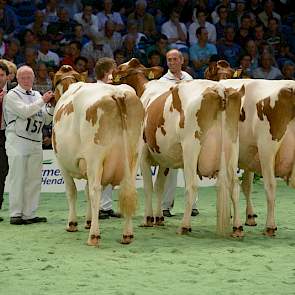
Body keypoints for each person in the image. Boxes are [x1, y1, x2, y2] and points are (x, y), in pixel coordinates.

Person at [3, 65, 54, 225]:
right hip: (17, 140)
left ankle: (30, 213)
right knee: (18, 177)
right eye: (23, 77)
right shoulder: (12, 95)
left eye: (29, 77)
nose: (26, 80)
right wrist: (42, 101)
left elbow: (45, 119)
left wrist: (51, 106)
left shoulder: (36, 94)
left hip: (35, 141)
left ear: (33, 78)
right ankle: (16, 213)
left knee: (34, 179)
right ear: (17, 79)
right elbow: (25, 111)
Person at [159, 49, 199, 217]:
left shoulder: (190, 80)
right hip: (169, 130)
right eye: (169, 60)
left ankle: (193, 204)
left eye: (175, 59)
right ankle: (165, 206)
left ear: (182, 61)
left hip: (189, 128)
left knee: (191, 167)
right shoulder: (162, 81)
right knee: (168, 169)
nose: (172, 62)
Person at [94, 58, 121, 220]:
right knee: (98, 172)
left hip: (113, 134)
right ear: (107, 72)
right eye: (114, 69)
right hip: (98, 136)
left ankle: (106, 206)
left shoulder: (113, 89)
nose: (116, 72)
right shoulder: (95, 89)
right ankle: (97, 207)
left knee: (109, 171)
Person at [0, 61, 16, 222]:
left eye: (2, 75)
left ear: (7, 77)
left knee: (2, 172)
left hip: (8, 135)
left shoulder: (14, 91)